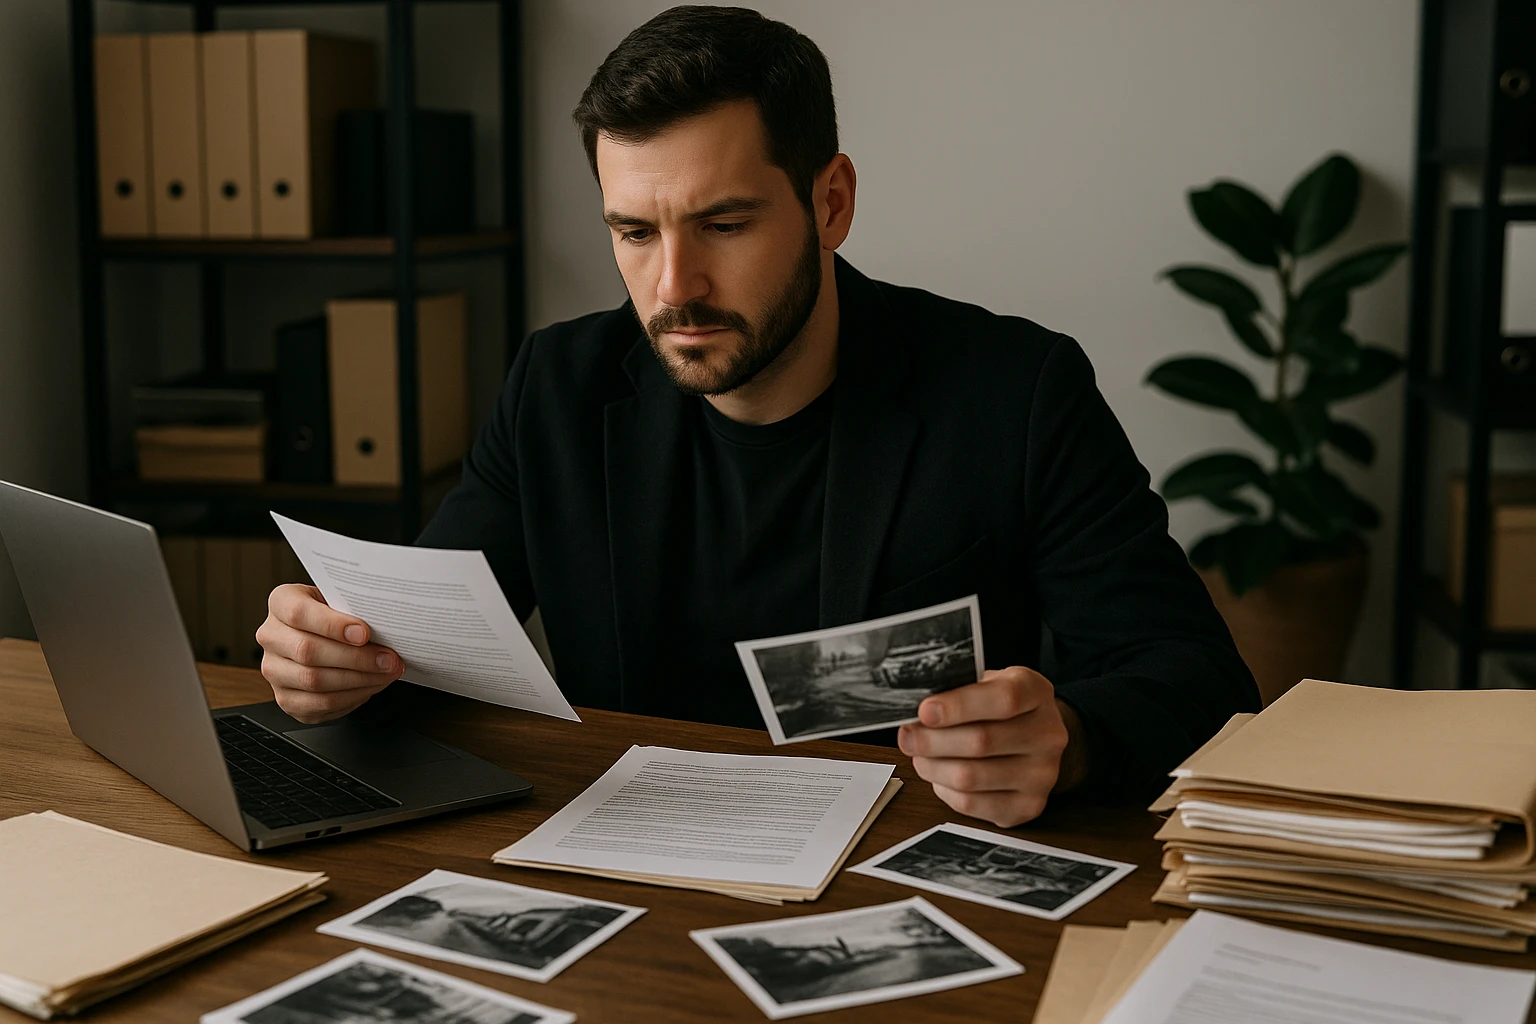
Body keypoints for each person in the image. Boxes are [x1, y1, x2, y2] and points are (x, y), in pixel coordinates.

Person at [257, 5, 1258, 828]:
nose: (674, 285)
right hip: (631, 869)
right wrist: (339, 661)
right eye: (634, 232)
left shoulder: (1014, 390)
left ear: (830, 203)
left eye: (723, 225)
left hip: (901, 878)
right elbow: (428, 649)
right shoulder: (557, 389)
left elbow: (1201, 682)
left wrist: (1071, 741)